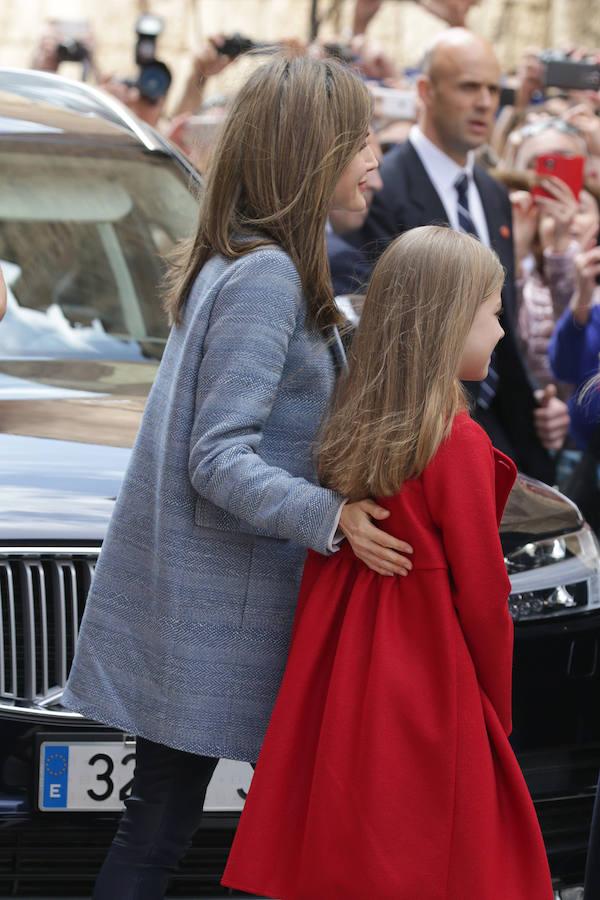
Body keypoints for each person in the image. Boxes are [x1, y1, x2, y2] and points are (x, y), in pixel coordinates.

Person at [61, 54, 414, 899]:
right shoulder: (266, 276)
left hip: (201, 612)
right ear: (307, 153)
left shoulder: (244, 261)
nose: (376, 159)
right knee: (173, 838)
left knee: (159, 830)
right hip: (223, 619)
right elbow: (217, 456)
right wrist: (335, 517)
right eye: (361, 140)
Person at [222, 226, 554, 900]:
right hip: (430, 684)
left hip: (345, 682)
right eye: (493, 314)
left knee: (350, 860)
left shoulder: (353, 424)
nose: (499, 333)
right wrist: (495, 704)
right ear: (451, 321)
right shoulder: (455, 442)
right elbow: (484, 598)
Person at [347, 27, 567, 483]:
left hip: (505, 436)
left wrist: (540, 408)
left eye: (493, 88)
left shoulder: (492, 193)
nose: (486, 102)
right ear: (426, 91)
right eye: (469, 86)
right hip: (422, 445)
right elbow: (389, 333)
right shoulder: (384, 189)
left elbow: (500, 326)